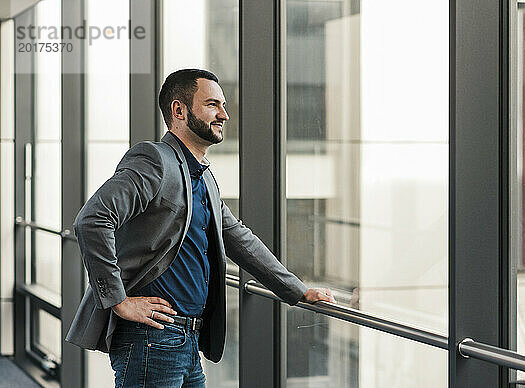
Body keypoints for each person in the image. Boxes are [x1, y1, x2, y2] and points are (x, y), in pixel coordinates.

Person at [65, 69, 335, 387]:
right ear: (179, 110)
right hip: (152, 340)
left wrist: (298, 290)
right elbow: (92, 220)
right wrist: (118, 300)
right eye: (212, 105)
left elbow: (239, 238)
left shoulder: (204, 177)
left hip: (189, 341)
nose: (224, 114)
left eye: (222, 105)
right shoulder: (153, 161)